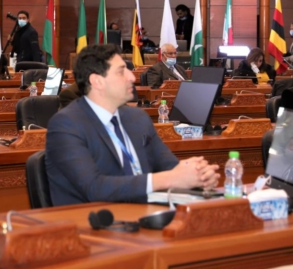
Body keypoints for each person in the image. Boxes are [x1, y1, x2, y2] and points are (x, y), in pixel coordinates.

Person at [45, 44, 219, 205]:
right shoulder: (66, 125)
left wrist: (198, 176)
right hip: (93, 220)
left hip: (144, 212)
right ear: (97, 81)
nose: (132, 77)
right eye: (121, 72)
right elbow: (94, 188)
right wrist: (169, 179)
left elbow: (170, 166)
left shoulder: (137, 118)